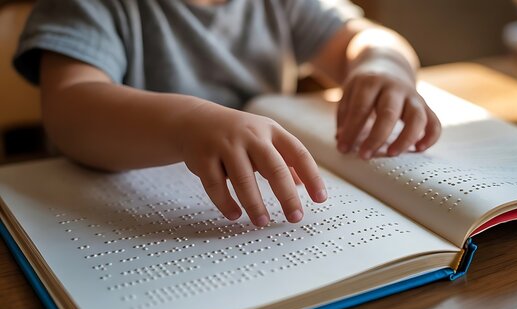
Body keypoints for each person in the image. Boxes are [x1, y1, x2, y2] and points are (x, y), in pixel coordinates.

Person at [13, 0, 441, 227]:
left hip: (255, 218)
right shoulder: (88, 5)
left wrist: (381, 64)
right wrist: (187, 124)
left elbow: (363, 37)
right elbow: (71, 110)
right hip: (92, 216)